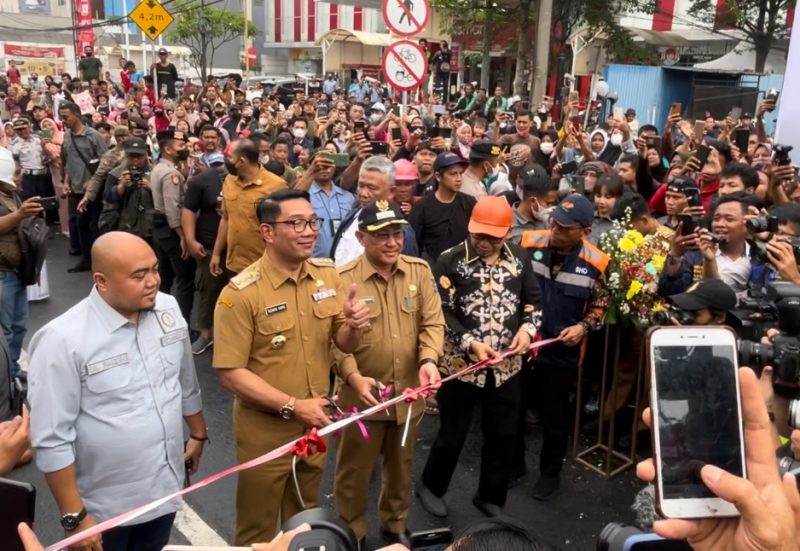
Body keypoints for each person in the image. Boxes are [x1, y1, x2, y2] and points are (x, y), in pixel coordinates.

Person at [28, 232, 206, 550]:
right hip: (103, 510)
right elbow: (52, 438)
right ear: (102, 281)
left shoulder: (168, 308)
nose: (153, 281)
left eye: (154, 269)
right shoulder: (62, 339)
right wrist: (74, 516)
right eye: (139, 275)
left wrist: (198, 433)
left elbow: (184, 380)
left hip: (163, 491)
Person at [212, 189, 370, 544]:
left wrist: (352, 327)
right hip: (266, 432)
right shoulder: (240, 294)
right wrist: (293, 406)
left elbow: (338, 345)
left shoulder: (327, 276)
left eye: (313, 222)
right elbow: (230, 373)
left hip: (314, 426)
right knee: (259, 530)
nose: (310, 231)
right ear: (268, 232)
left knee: (303, 521)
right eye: (296, 223)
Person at [418, 196, 541, 518]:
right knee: (452, 433)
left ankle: (490, 496)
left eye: (493, 238)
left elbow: (533, 302)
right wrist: (470, 342)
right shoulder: (450, 260)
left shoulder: (521, 259)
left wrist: (527, 330)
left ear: (507, 233)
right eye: (478, 236)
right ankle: (431, 485)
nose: (484, 243)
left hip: (506, 365)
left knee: (503, 434)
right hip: (461, 366)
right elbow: (441, 312)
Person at [334, 200, 445, 548]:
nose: (392, 243)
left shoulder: (418, 271)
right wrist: (352, 377)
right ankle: (352, 532)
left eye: (397, 234)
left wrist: (429, 359)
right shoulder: (342, 280)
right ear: (361, 237)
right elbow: (334, 344)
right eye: (382, 236)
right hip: (362, 400)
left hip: (408, 396)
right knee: (353, 473)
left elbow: (432, 322)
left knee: (401, 467)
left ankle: (394, 525)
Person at [520, 194, 609, 501]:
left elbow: (600, 306)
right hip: (522, 345)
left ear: (584, 232)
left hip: (562, 352)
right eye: (555, 221)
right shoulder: (528, 244)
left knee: (556, 419)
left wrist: (583, 327)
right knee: (515, 409)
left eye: (565, 226)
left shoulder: (596, 263)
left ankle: (549, 474)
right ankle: (514, 465)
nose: (556, 228)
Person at [210, 139, 287, 277]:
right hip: (235, 265)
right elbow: (226, 219)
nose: (226, 161)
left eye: (230, 157)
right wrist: (216, 254)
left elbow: (283, 228)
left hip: (265, 267)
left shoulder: (276, 185)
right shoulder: (229, 181)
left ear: (242, 161)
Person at [0, 148, 42, 378]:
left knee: (18, 327)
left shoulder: (11, 195)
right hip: (2, 273)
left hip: (16, 271)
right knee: (4, 331)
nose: (18, 179)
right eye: (14, 175)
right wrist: (19, 215)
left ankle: (13, 370)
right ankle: (4, 378)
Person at [331, 156, 417, 265]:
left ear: (391, 191)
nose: (363, 194)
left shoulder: (404, 233)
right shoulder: (353, 214)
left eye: (371, 188)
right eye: (361, 186)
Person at [182, 152, 228, 355]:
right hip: (208, 248)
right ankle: (205, 335)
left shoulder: (255, 181)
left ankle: (231, 339)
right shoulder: (203, 181)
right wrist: (190, 240)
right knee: (208, 293)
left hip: (241, 251)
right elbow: (188, 209)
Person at [150, 129, 196, 323]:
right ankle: (182, 322)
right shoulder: (170, 174)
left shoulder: (159, 167)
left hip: (159, 230)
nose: (184, 149)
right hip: (171, 232)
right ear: (168, 149)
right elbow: (173, 208)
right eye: (180, 146)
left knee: (165, 278)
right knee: (184, 279)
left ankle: (160, 319)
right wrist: (183, 236)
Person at [59, 101, 107, 273]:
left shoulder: (93, 136)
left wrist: (93, 181)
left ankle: (100, 260)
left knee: (95, 225)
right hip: (76, 189)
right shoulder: (66, 136)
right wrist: (66, 182)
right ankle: (87, 259)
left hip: (93, 191)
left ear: (77, 114)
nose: (63, 120)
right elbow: (68, 163)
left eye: (66, 116)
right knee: (81, 225)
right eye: (61, 117)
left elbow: (105, 162)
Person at [409, 152, 476, 262]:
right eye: (453, 174)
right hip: (433, 267)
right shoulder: (422, 206)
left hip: (463, 265)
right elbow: (415, 243)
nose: (459, 178)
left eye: (460, 173)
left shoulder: (469, 202)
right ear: (438, 177)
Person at [510, 164, 556, 244]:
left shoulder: (547, 219)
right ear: (533, 201)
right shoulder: (510, 224)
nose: (550, 207)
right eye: (548, 203)